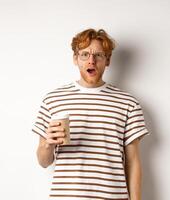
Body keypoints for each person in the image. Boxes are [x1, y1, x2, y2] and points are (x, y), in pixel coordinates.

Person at [32, 28, 150, 200]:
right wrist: (48, 145)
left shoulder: (128, 103)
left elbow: (133, 163)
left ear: (107, 60)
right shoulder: (53, 100)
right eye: (84, 55)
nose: (91, 61)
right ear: (75, 59)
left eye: (99, 55)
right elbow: (43, 162)